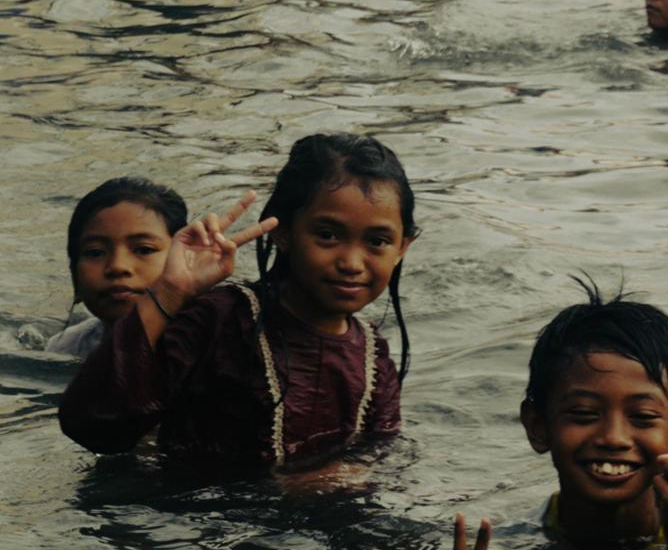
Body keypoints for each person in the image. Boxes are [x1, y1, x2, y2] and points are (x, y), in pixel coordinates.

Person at [59, 133, 418, 471]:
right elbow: (93, 427)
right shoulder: (219, 320)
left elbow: (378, 460)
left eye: (378, 242)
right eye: (326, 235)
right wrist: (169, 291)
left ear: (403, 248)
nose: (352, 263)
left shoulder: (374, 358)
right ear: (281, 231)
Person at [458, 279, 668, 550]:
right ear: (538, 426)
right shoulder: (514, 548)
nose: (614, 438)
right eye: (583, 414)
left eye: (643, 416)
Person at [46, 177, 188, 360]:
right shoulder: (66, 347)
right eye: (95, 252)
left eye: (144, 249)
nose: (117, 266)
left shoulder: (215, 344)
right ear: (75, 277)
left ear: (184, 260)